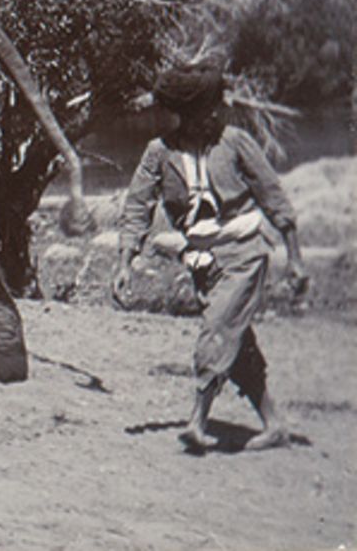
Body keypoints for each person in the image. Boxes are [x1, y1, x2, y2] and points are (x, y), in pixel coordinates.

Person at [112, 61, 309, 453]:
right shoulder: (160, 153)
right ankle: (274, 424)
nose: (216, 115)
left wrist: (295, 258)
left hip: (245, 255)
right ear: (187, 114)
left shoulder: (235, 142)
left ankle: (197, 421)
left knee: (218, 329)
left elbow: (274, 197)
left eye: (216, 108)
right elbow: (137, 206)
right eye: (207, 110)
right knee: (236, 342)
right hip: (204, 262)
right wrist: (124, 262)